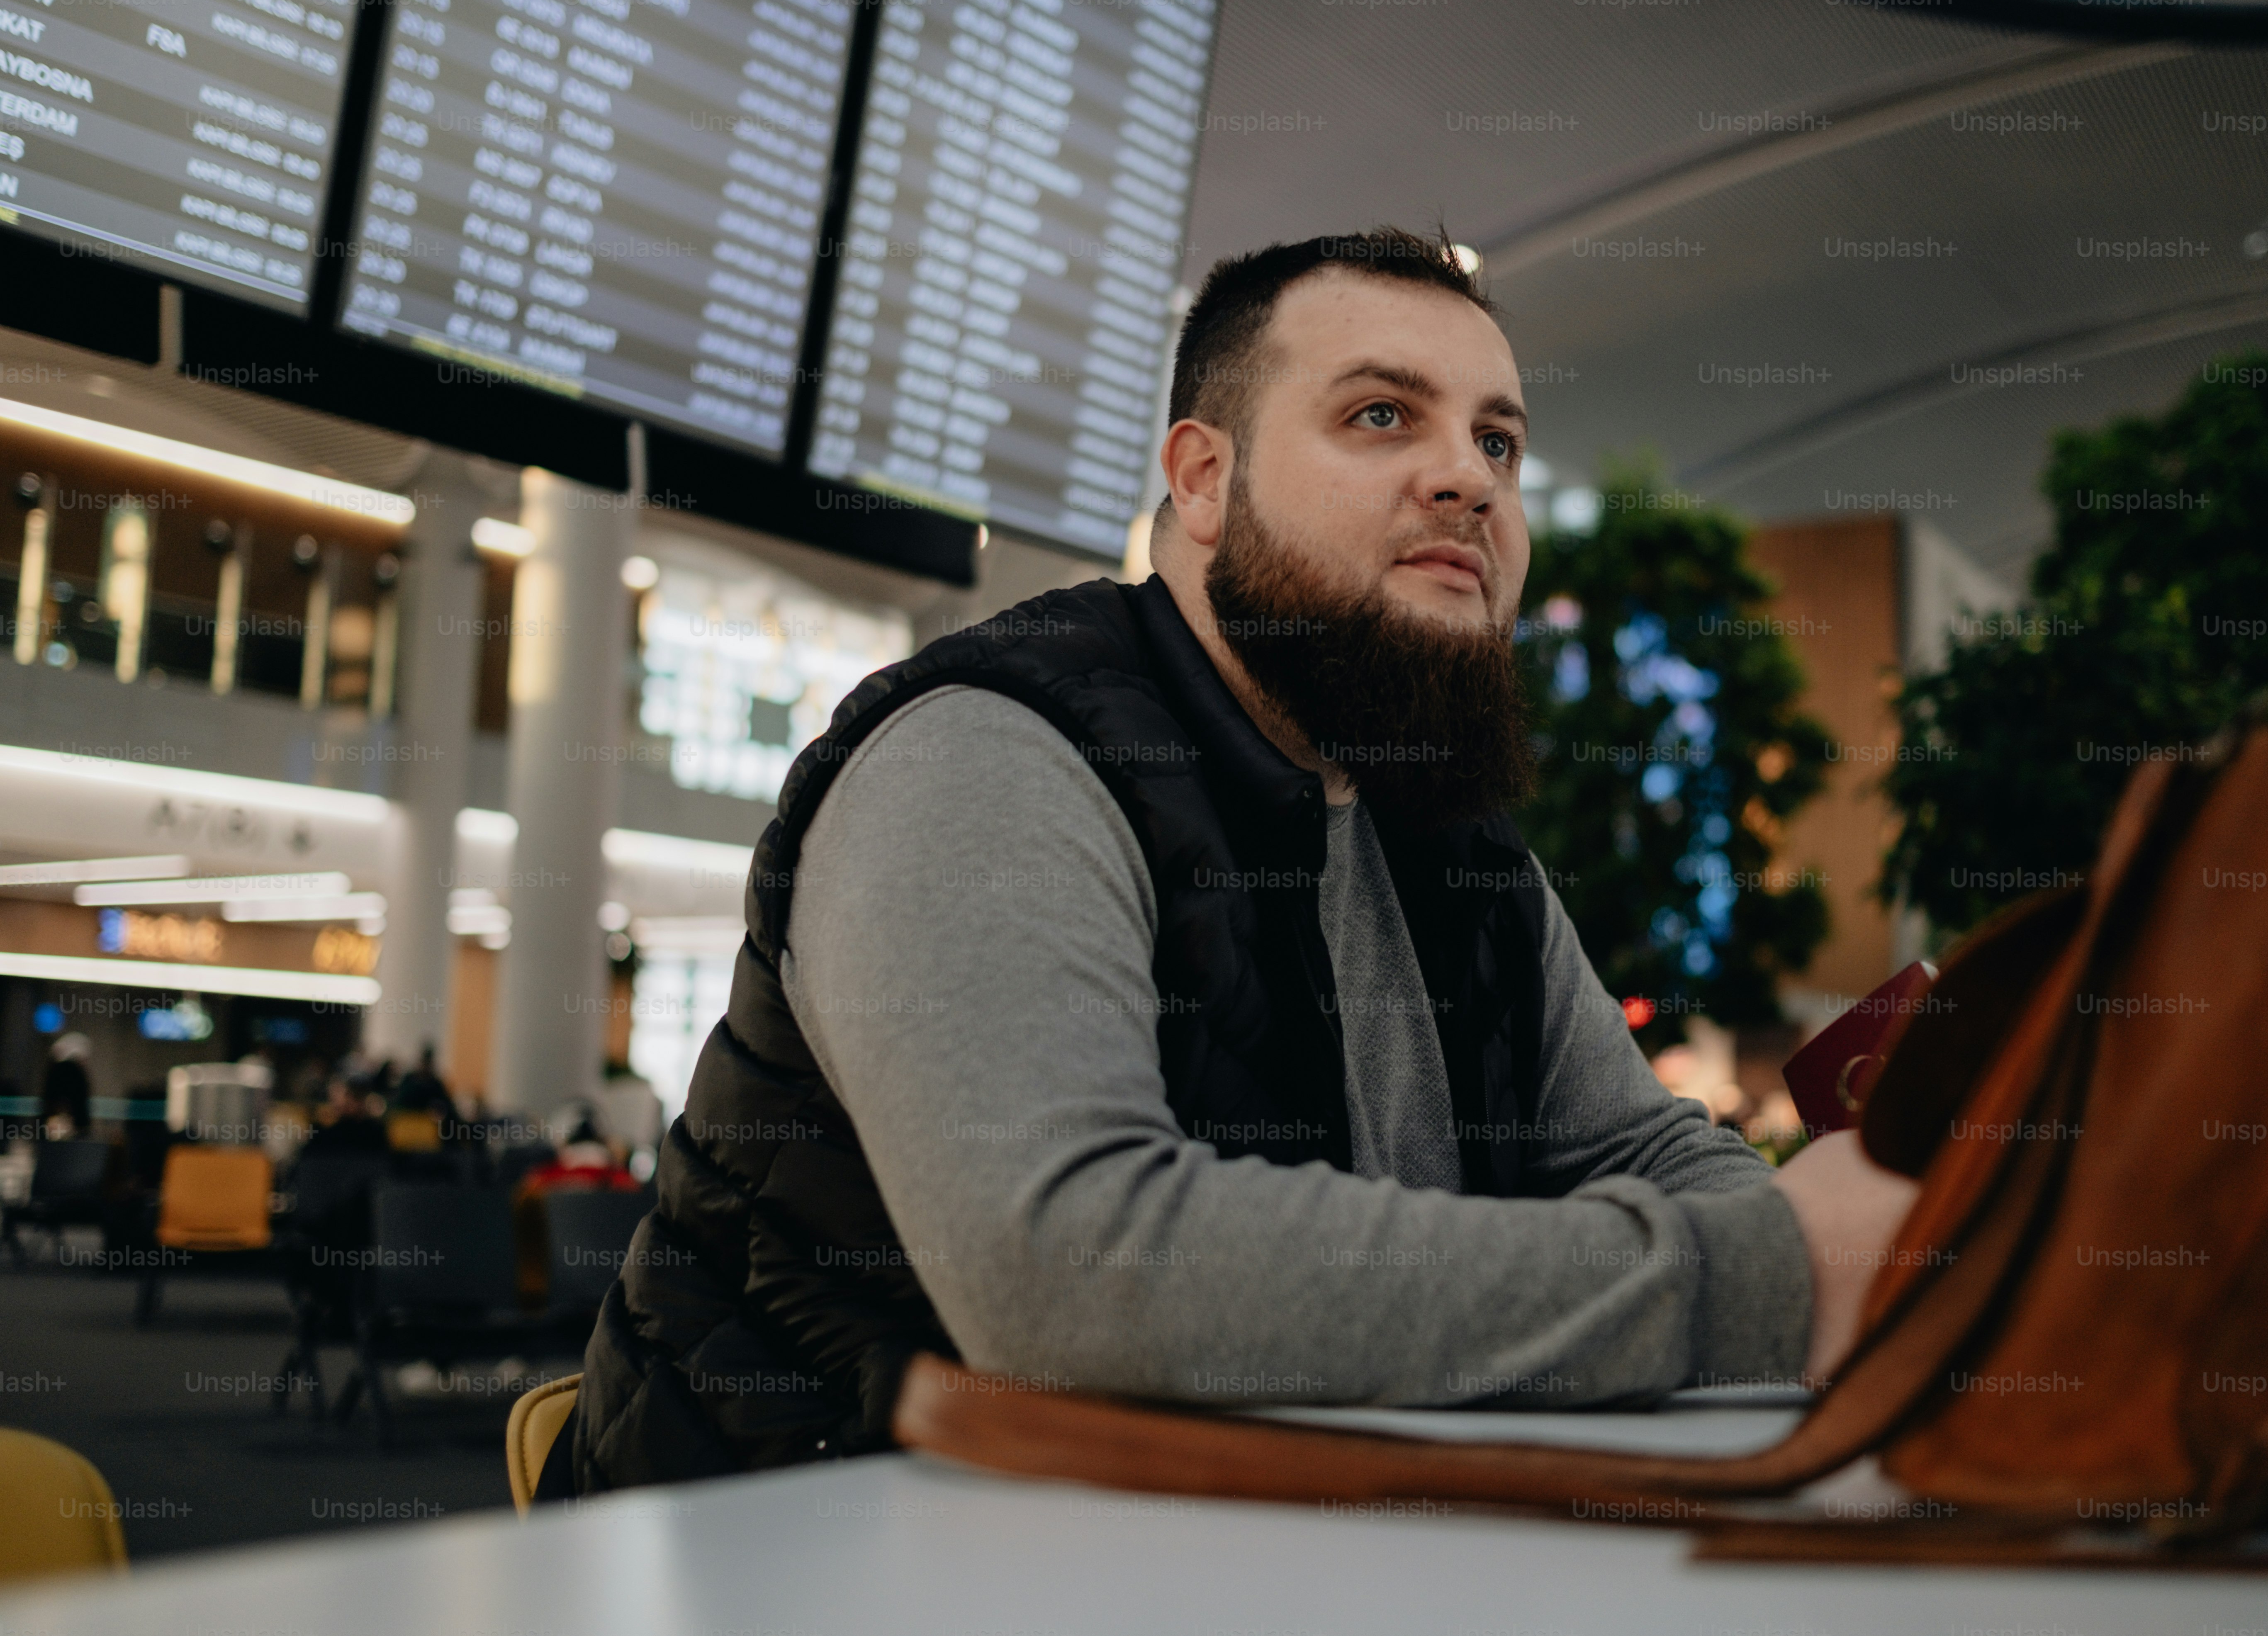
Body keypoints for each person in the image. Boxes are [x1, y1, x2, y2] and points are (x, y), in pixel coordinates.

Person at [574, 228, 1918, 1488]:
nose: (1467, 477)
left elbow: (1646, 1156)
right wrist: (1762, 1271)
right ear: (1202, 479)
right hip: (819, 1547)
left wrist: (1814, 1247)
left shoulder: (1454, 841)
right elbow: (1075, 1272)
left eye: (1497, 441)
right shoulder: (986, 751)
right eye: (1380, 415)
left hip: (1206, 1536)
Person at [39, 1033, 92, 1140]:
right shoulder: (71, 1072)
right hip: (67, 1123)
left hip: (59, 1122)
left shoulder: (56, 1071)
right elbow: (78, 1101)